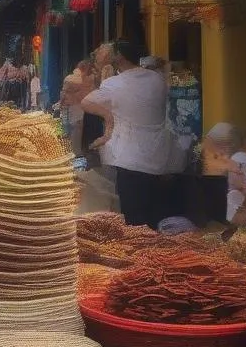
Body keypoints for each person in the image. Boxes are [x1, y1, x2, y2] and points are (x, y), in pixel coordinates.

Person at [82, 39, 170, 228]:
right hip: (158, 158)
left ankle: (139, 253)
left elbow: (86, 102)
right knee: (152, 217)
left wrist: (108, 118)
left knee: (133, 220)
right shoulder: (157, 80)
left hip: (129, 160)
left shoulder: (114, 84)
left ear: (119, 56)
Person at [62, 58, 96, 156]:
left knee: (69, 129)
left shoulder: (69, 78)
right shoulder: (88, 80)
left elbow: (63, 94)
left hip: (70, 106)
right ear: (86, 69)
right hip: (80, 107)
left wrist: (61, 103)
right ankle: (76, 152)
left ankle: (69, 150)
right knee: (77, 130)